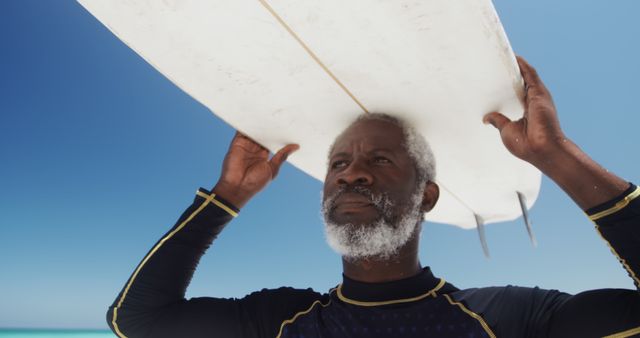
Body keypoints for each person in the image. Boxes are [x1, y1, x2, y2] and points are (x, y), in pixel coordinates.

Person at [106, 57, 640, 338]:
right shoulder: (282, 321)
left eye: (379, 160)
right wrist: (223, 199)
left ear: (426, 196)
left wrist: (557, 156)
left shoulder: (508, 318)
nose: (350, 175)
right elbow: (137, 321)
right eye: (337, 164)